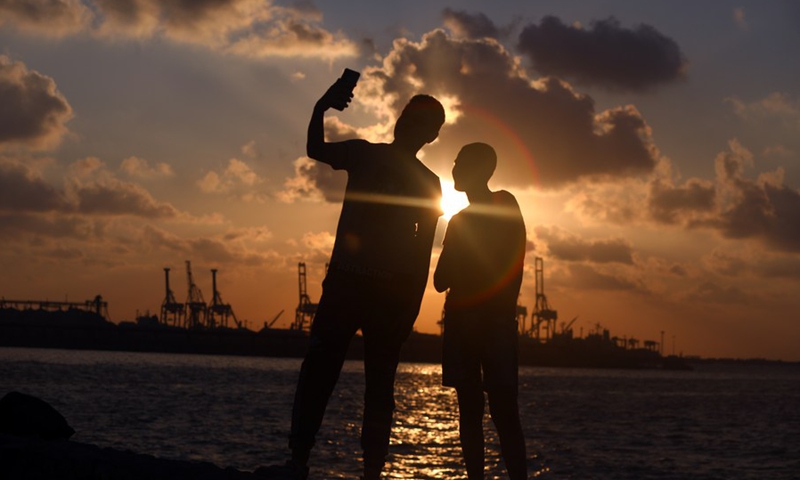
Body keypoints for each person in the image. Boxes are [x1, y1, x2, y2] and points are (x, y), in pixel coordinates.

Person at [258, 76, 445, 480]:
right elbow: (314, 149)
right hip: (351, 286)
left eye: (417, 123)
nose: (406, 125)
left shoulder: (425, 182)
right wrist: (320, 107)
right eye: (408, 118)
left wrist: (410, 307)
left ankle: (364, 470)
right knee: (325, 374)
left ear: (428, 135)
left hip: (381, 294)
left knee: (371, 384)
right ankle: (303, 461)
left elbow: (421, 251)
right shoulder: (365, 155)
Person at [433, 142, 528, 480]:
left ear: (479, 169)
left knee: (477, 414)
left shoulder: (468, 218)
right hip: (490, 322)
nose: (454, 169)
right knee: (500, 413)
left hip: (473, 323)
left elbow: (441, 279)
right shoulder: (501, 206)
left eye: (459, 163)